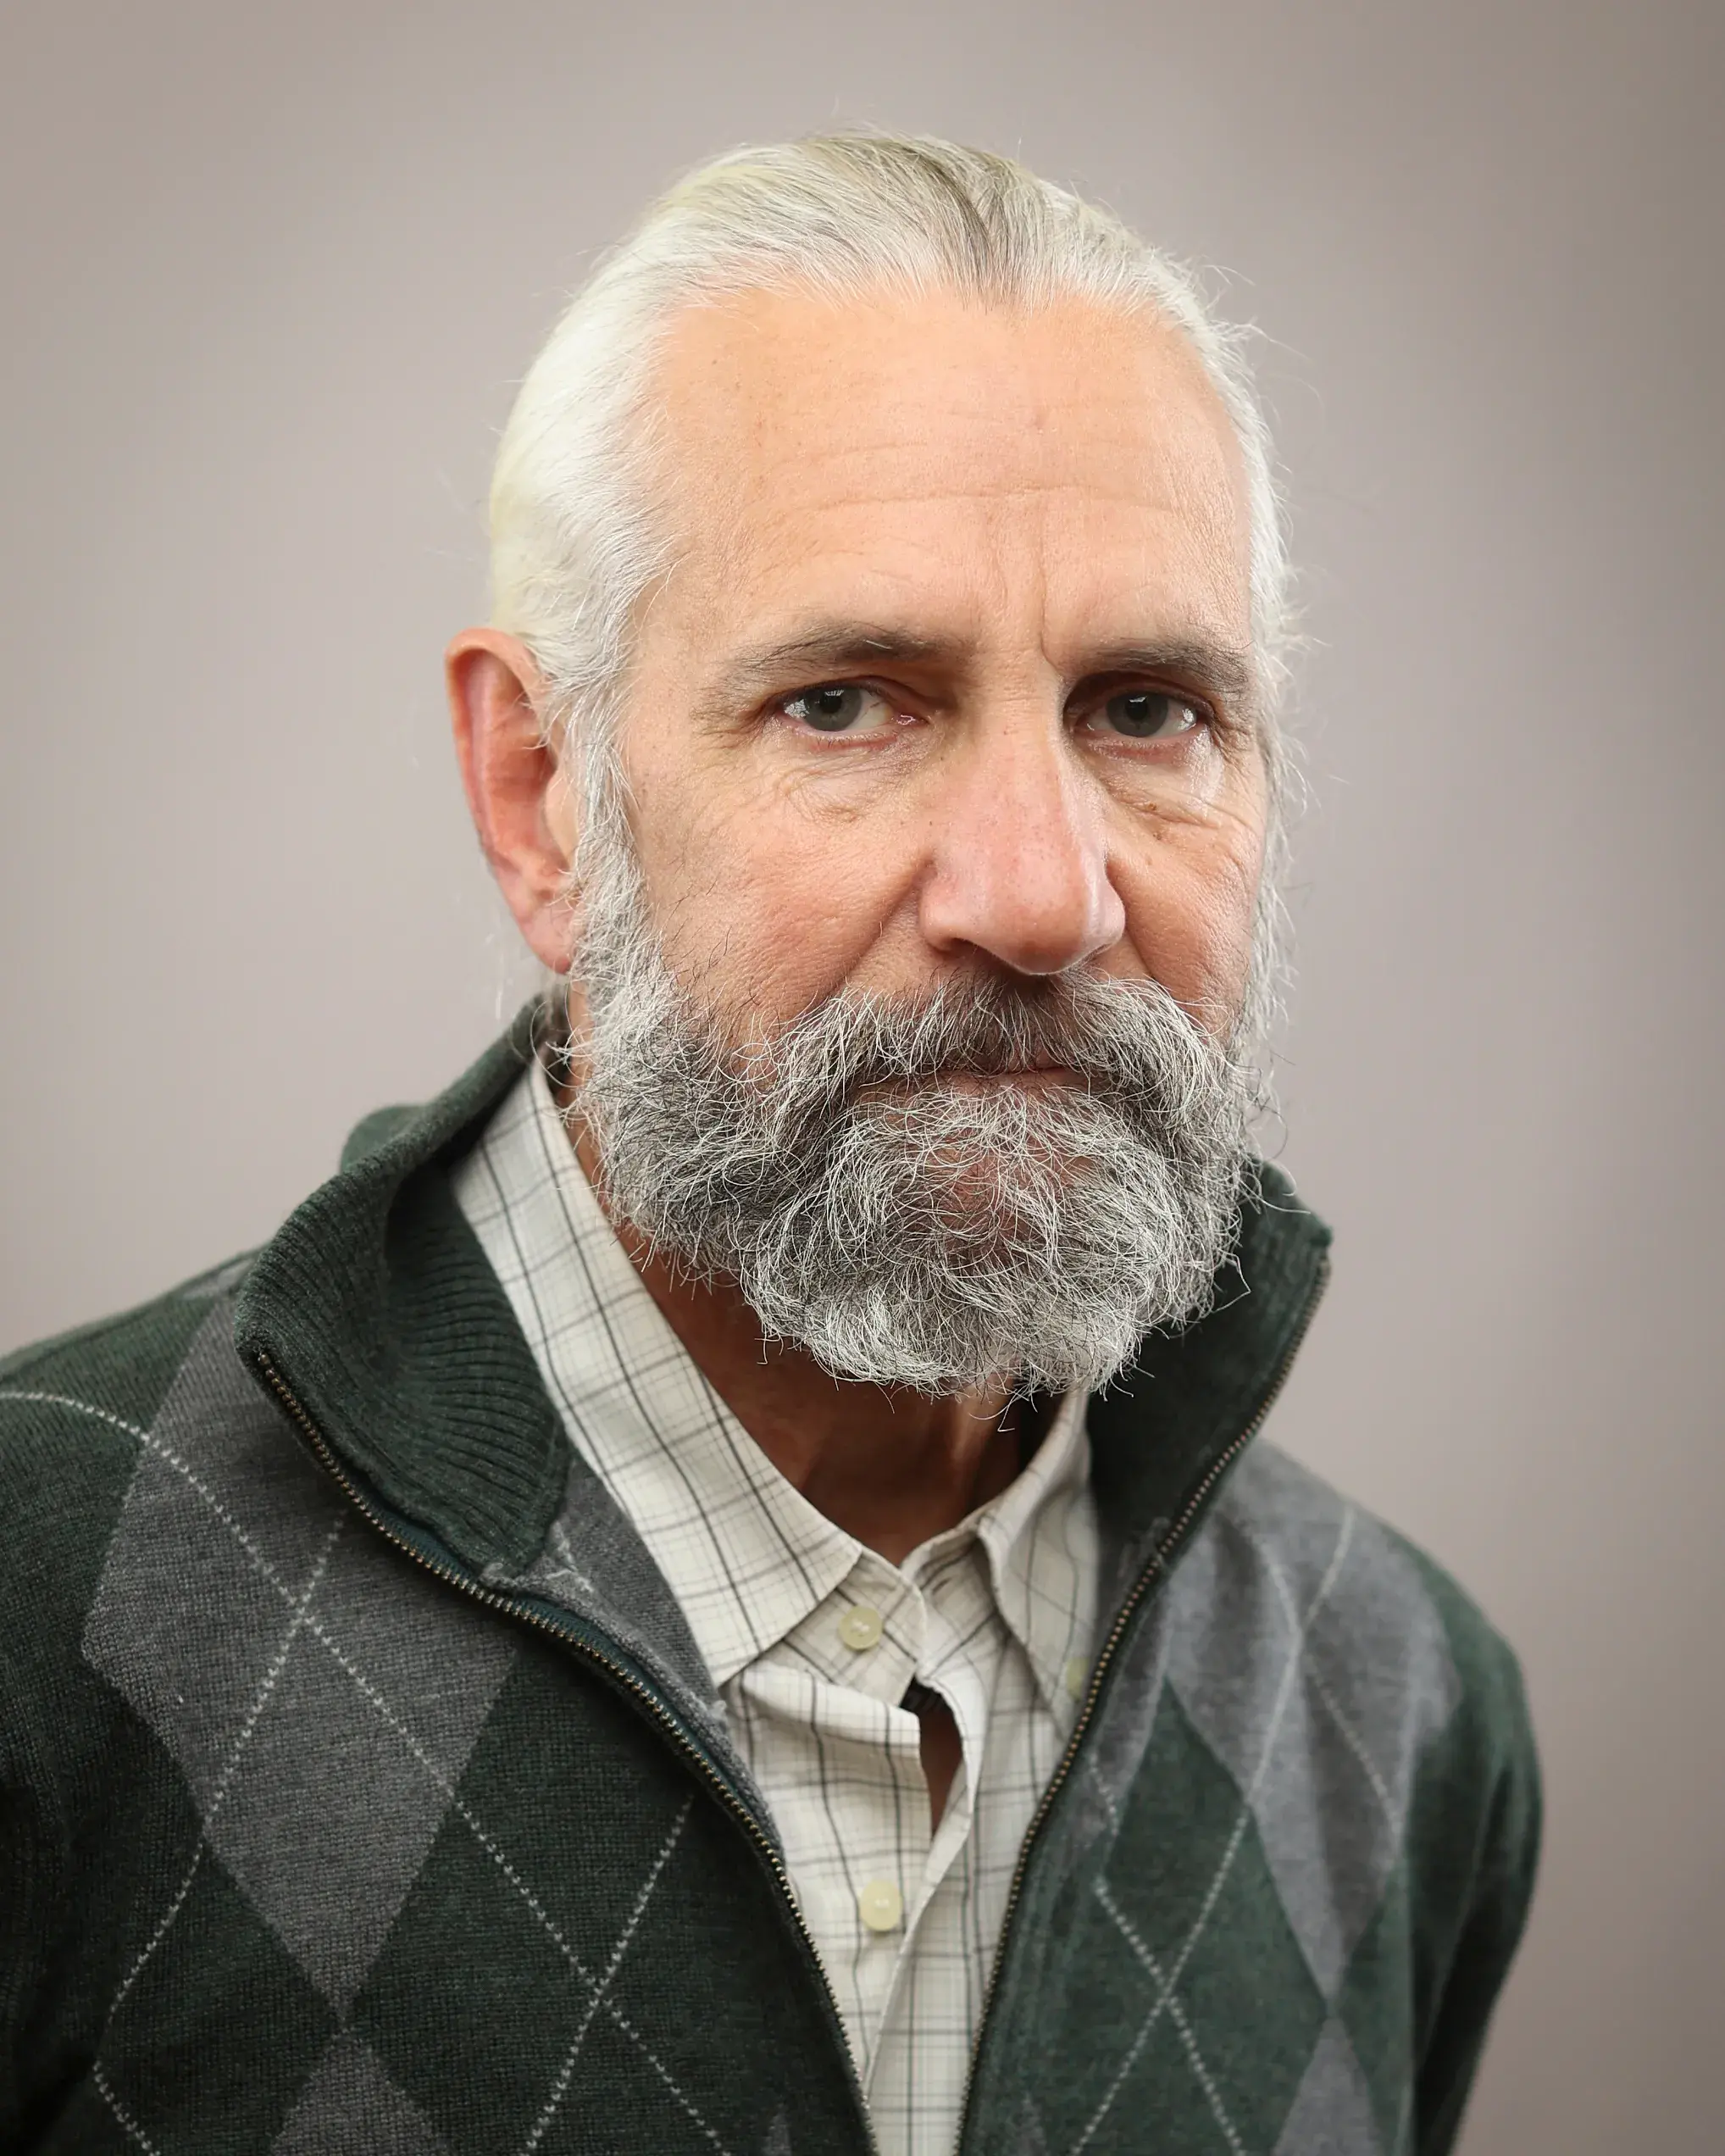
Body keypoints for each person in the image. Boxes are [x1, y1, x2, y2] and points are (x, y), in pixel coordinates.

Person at [0, 135, 1538, 2155]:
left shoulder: (1395, 1702)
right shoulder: (45, 1610)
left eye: (1144, 710)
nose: (1039, 894)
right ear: (542, 794)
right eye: (844, 704)